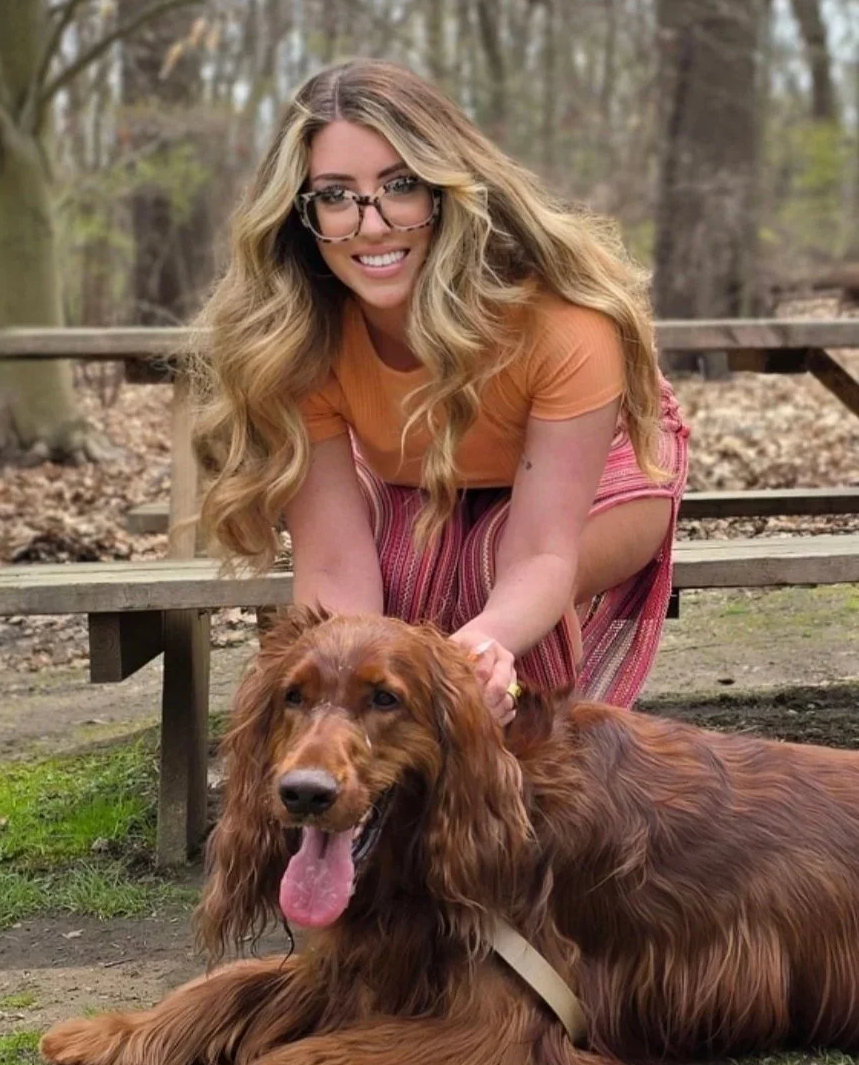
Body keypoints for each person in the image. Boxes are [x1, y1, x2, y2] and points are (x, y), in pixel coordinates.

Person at [191, 59, 689, 723]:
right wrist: (344, 697)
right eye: (336, 196)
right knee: (397, 572)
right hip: (424, 476)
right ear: (299, 215)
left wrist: (468, 664)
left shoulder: (563, 323)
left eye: (401, 186)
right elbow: (336, 565)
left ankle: (533, 773)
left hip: (603, 467)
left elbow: (541, 550)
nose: (371, 226)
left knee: (491, 571)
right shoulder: (300, 338)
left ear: (447, 189)